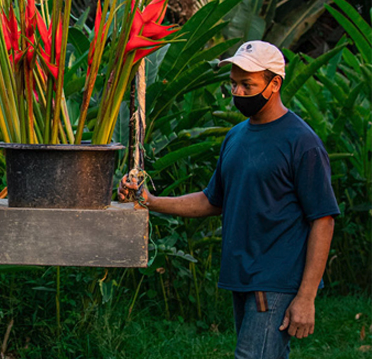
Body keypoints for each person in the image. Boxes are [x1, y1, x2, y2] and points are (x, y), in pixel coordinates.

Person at [119, 41, 339, 359]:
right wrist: (148, 201)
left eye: (247, 84)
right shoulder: (235, 136)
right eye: (234, 83)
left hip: (275, 277)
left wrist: (306, 296)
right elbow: (212, 200)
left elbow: (323, 218)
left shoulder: (302, 143)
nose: (237, 92)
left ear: (274, 83)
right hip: (241, 275)